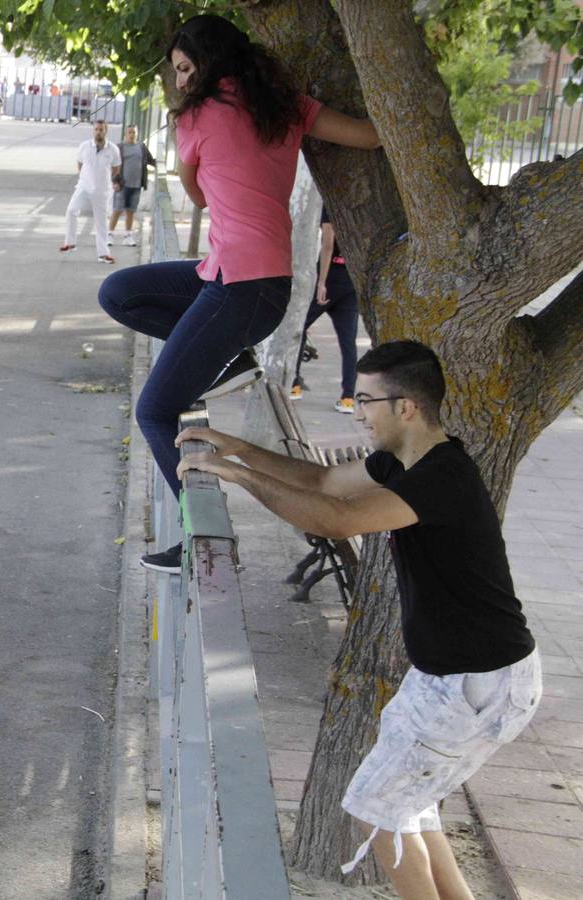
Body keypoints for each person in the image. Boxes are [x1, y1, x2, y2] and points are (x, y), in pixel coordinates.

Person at [175, 340, 539, 898]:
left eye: (366, 400)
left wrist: (237, 476)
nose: (357, 410)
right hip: (449, 675)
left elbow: (337, 521)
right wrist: (234, 449)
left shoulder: (442, 478)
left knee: (378, 810)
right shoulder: (402, 460)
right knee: (405, 805)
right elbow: (323, 485)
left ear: (406, 408)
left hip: (479, 681)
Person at [96, 13, 381, 571]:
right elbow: (370, 135)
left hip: (240, 290)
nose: (179, 82)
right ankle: (230, 365)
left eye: (184, 69)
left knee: (155, 411)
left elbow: (196, 194)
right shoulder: (285, 107)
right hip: (239, 280)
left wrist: (188, 151)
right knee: (121, 291)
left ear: (206, 65)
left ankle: (198, 539)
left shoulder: (197, 115)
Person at [291, 208, 359, 413]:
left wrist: (321, 282)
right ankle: (348, 397)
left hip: (331, 277)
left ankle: (294, 385)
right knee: (348, 342)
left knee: (299, 326)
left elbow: (328, 246)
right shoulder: (359, 209)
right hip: (351, 280)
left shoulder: (330, 206)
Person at [60, 118, 120, 264]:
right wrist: (87, 178)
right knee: (71, 210)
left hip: (102, 190)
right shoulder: (84, 146)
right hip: (84, 186)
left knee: (101, 221)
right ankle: (70, 243)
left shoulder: (112, 149)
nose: (98, 132)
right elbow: (80, 164)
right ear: (93, 130)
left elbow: (116, 168)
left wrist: (102, 180)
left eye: (101, 130)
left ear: (106, 131)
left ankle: (103, 254)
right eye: (96, 129)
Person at [108, 124, 154, 248]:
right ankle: (109, 234)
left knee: (130, 211)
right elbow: (113, 166)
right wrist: (115, 181)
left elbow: (150, 160)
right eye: (130, 132)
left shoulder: (142, 147)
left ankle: (127, 236)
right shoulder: (120, 148)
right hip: (122, 185)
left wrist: (160, 164)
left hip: (136, 185)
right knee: (117, 210)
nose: (132, 134)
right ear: (125, 134)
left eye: (134, 132)